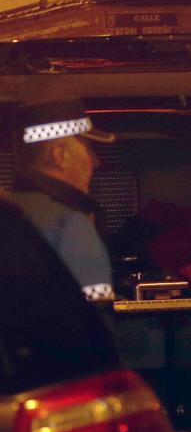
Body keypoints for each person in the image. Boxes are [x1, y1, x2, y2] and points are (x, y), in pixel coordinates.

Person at [8, 98, 117, 306]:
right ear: (61, 155)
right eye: (87, 148)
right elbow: (94, 315)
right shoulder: (69, 223)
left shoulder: (8, 213)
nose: (95, 161)